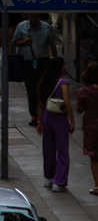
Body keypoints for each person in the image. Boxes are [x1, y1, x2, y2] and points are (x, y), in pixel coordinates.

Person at [13, 13, 58, 125]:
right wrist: (24, 42)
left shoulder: (47, 27)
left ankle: (44, 114)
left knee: (44, 88)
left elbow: (52, 45)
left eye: (35, 17)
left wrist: (56, 64)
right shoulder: (21, 26)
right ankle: (34, 115)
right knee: (31, 89)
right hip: (28, 63)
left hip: (43, 62)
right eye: (31, 17)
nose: (33, 19)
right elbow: (14, 42)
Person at [39, 55, 74, 191]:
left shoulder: (45, 81)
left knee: (48, 148)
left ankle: (48, 177)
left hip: (47, 115)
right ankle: (59, 181)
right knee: (62, 151)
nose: (65, 67)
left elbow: (40, 102)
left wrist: (40, 120)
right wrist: (71, 120)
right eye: (64, 65)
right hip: (59, 118)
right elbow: (67, 102)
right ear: (60, 67)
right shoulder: (63, 82)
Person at [75, 61, 98, 195]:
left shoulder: (84, 91)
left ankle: (97, 186)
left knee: (94, 158)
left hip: (91, 127)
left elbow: (79, 109)